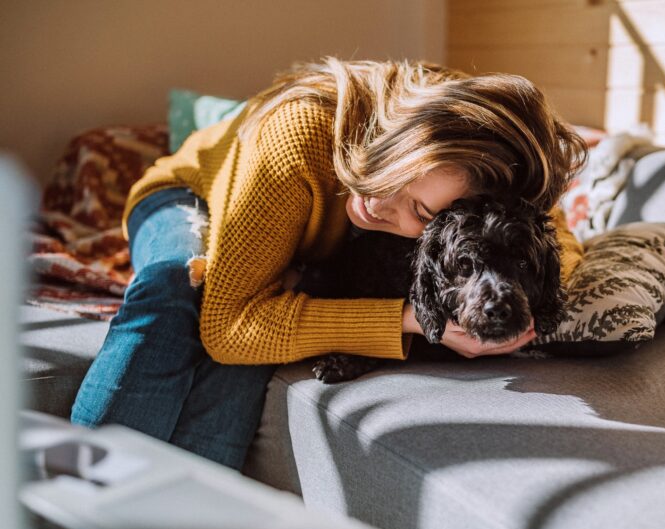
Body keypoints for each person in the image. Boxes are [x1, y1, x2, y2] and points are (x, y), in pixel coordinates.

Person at [71, 58, 587, 469]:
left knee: (252, 359)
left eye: (421, 211)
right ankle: (74, 507)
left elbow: (554, 240)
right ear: (408, 137)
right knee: (175, 288)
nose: (382, 202)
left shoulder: (493, 161)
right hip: (185, 196)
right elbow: (229, 328)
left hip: (301, 248)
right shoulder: (297, 135)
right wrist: (411, 321)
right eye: (400, 170)